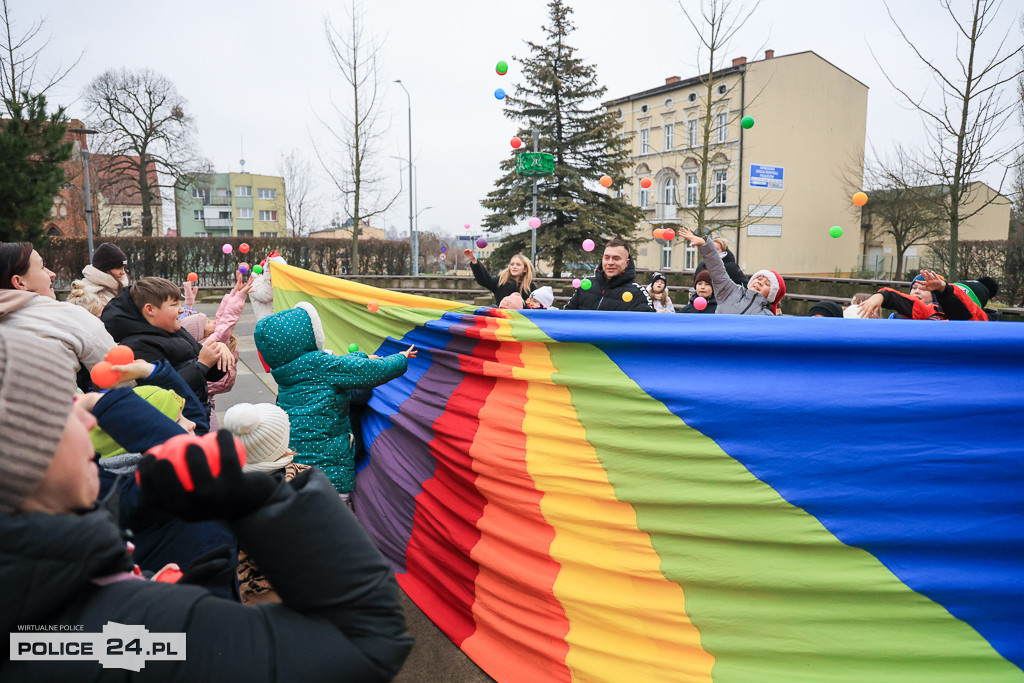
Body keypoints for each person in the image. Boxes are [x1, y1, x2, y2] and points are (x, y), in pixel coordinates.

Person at [0, 328, 414, 681]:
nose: (88, 419)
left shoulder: (37, 631)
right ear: (27, 449)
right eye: (64, 406)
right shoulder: (130, 631)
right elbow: (366, 642)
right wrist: (257, 498)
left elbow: (178, 447)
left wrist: (124, 399)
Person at [255, 301, 416, 499]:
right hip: (330, 471)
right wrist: (400, 358)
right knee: (333, 513)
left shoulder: (284, 371)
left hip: (295, 464)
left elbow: (342, 364)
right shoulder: (319, 363)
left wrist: (361, 356)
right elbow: (369, 372)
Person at [102, 276, 233, 420]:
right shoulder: (138, 345)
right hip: (177, 421)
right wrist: (202, 364)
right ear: (150, 309)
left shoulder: (174, 330)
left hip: (196, 412)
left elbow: (209, 373)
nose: (181, 310)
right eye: (174, 305)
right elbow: (162, 392)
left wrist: (218, 353)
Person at [224, 402, 312, 604]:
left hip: (243, 590)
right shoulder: (304, 484)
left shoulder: (224, 489)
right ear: (281, 443)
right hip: (287, 591)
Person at [0, 242, 116, 388]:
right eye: (42, 267)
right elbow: (120, 376)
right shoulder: (69, 316)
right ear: (19, 282)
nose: (52, 274)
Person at [180, 271, 253, 429]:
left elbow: (221, 316)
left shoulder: (205, 337)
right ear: (200, 333)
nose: (213, 321)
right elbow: (227, 321)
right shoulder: (210, 343)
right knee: (209, 427)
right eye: (207, 322)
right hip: (205, 397)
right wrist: (240, 297)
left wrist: (233, 292)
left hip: (206, 395)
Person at [679, 228, 785, 315]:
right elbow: (716, 268)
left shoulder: (767, 315)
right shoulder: (730, 291)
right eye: (759, 278)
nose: (760, 282)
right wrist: (704, 244)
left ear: (772, 294)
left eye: (767, 284)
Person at [563, 239, 655, 311]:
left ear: (627, 263)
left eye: (616, 258)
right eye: (606, 258)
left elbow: (648, 326)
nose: (610, 262)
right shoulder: (587, 284)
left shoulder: (638, 293)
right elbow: (567, 315)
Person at [857, 270, 987, 321]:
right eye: (914, 288)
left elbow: (966, 313)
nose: (917, 291)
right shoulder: (932, 311)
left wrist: (944, 289)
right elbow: (909, 304)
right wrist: (883, 296)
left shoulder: (981, 321)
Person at [66, 242, 130, 317]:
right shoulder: (86, 294)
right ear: (104, 269)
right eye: (118, 268)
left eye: (124, 268)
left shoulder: (125, 289)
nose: (123, 272)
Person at [464, 250, 535, 306]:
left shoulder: (530, 286)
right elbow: (484, 280)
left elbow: (536, 305)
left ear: (525, 269)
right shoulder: (500, 281)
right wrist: (474, 262)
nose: (514, 266)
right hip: (502, 318)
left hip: (521, 319)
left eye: (518, 265)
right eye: (512, 264)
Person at [248, 251, 287, 322]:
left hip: (280, 325)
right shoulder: (255, 282)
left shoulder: (279, 282)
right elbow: (266, 296)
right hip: (266, 326)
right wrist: (269, 274)